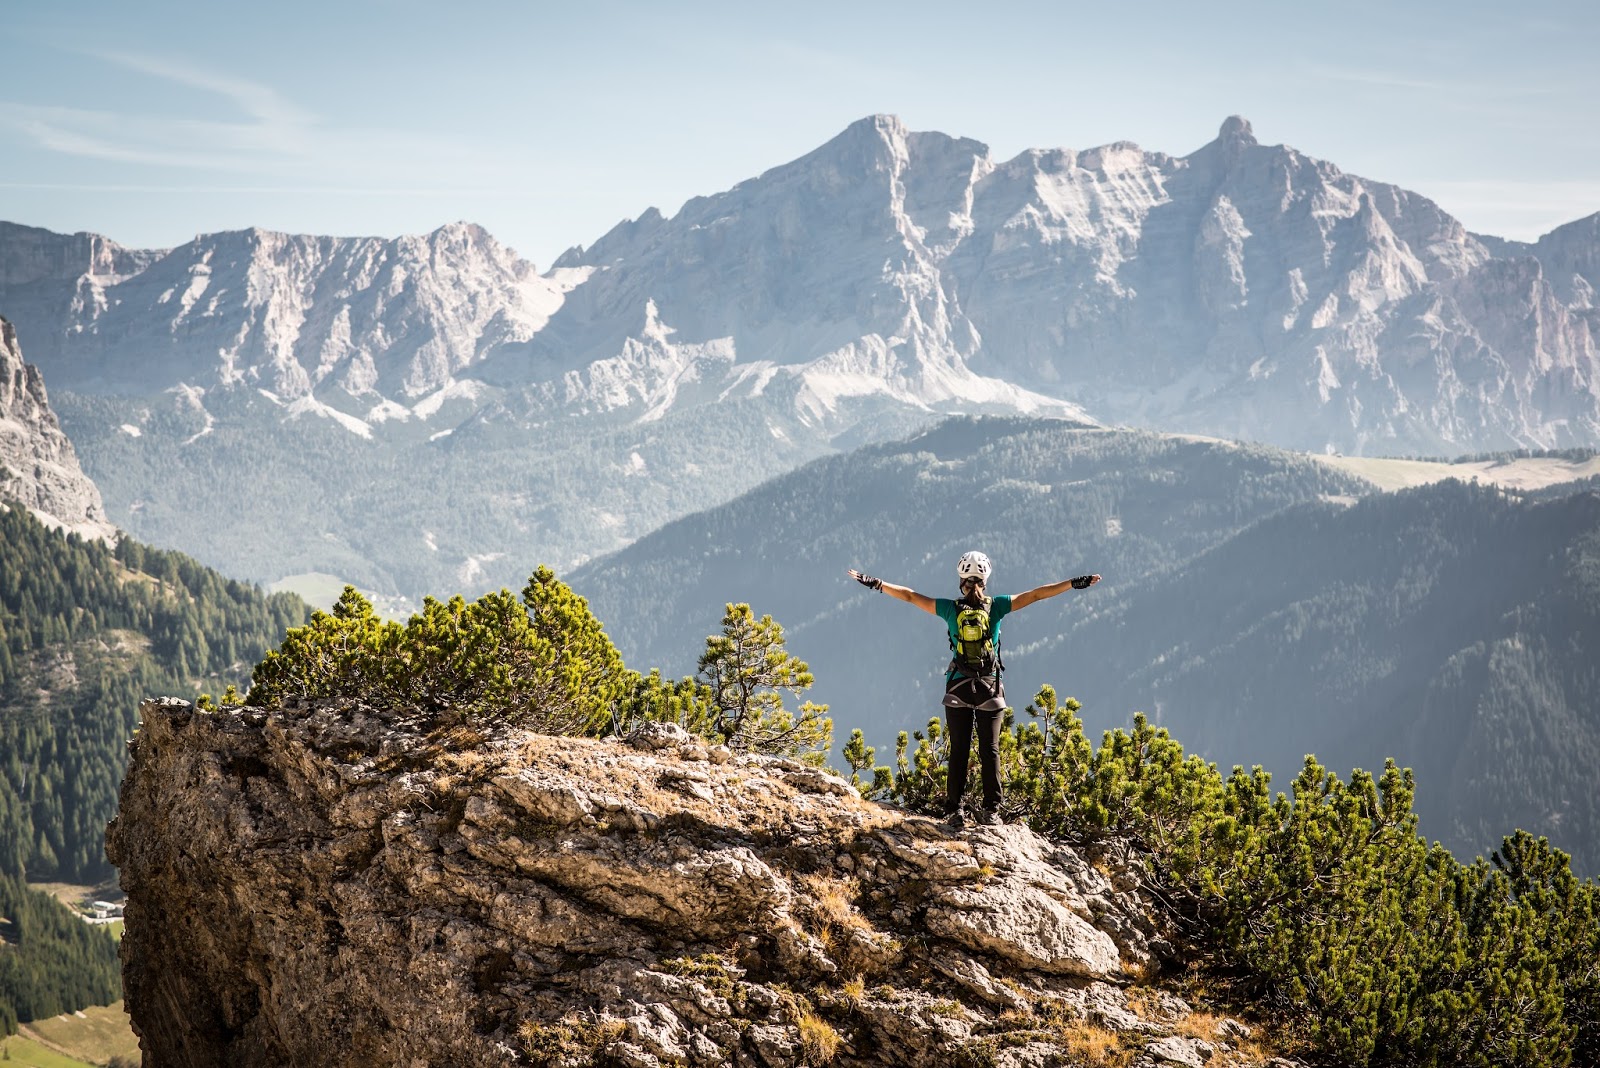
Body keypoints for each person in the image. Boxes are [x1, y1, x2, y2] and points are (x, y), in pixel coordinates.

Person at [847, 552, 1100, 828]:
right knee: (990, 749)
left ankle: (954, 810)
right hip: (990, 688)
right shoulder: (998, 606)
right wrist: (1073, 583)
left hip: (958, 686)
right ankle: (992, 811)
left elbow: (909, 596)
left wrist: (876, 583)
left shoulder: (949, 609)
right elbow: (1037, 594)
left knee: (959, 750)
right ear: (985, 580)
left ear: (961, 580)